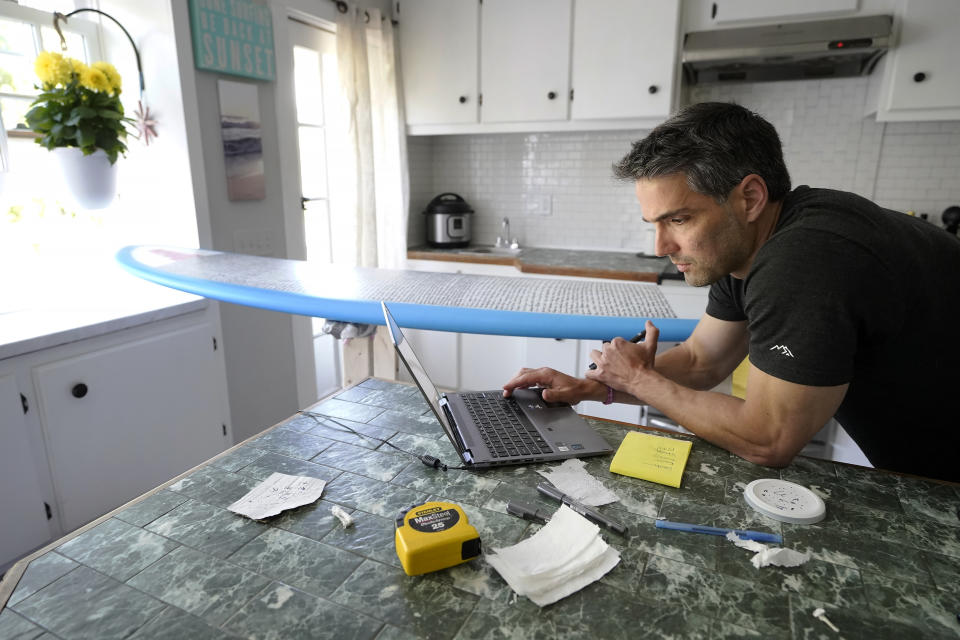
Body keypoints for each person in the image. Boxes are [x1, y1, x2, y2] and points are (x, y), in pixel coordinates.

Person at [503, 101, 960, 483]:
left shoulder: (804, 259)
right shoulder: (742, 245)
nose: (662, 246)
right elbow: (703, 360)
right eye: (655, 225)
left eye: (679, 220)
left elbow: (768, 439)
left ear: (750, 198)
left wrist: (639, 378)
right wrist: (590, 387)